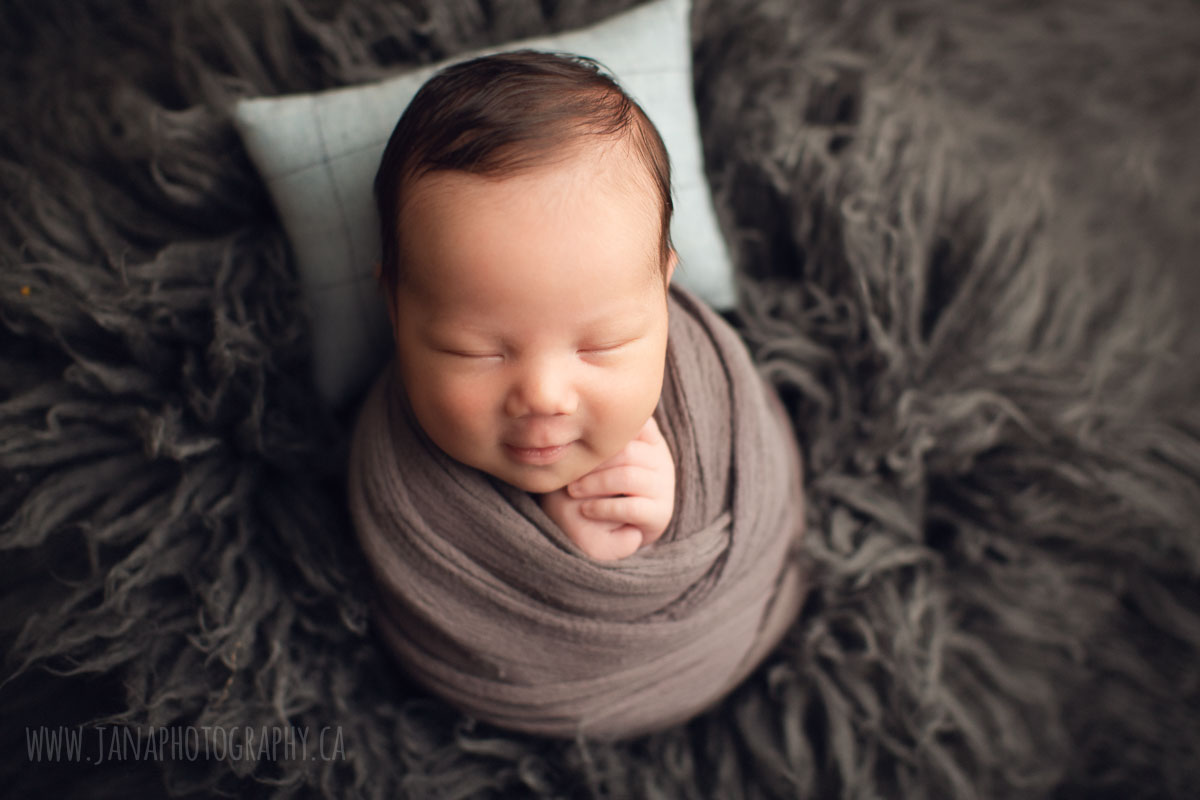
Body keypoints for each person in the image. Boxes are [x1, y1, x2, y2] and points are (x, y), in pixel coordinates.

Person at [372, 49, 679, 560]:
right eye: (474, 352)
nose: (543, 396)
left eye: (602, 345)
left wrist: (680, 498)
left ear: (664, 290)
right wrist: (559, 556)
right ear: (394, 308)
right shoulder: (395, 475)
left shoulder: (703, 373)